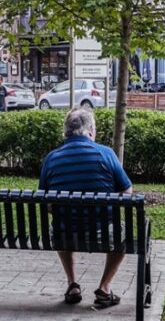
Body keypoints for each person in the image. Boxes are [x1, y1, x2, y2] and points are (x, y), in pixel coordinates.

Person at [38, 108, 132, 310]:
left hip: (63, 234)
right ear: (90, 131)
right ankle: (105, 289)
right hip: (103, 233)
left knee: (62, 224)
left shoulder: (51, 158)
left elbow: (46, 202)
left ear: (66, 132)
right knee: (124, 233)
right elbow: (127, 192)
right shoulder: (106, 154)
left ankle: (72, 284)